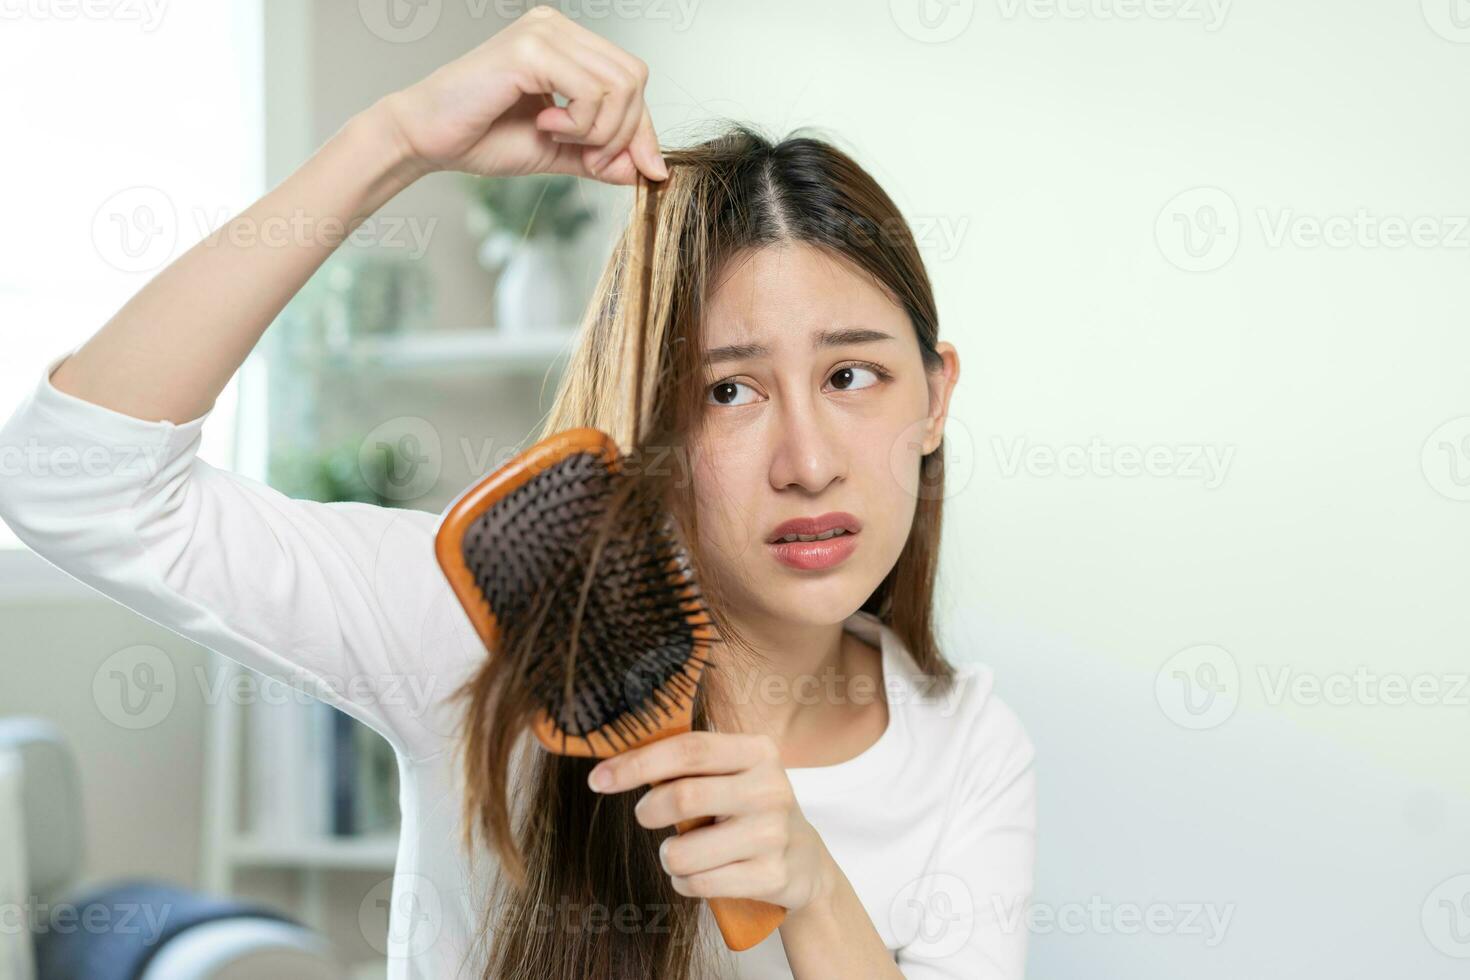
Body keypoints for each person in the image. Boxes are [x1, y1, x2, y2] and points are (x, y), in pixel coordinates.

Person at [0, 7, 1035, 979]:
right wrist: (393, 140)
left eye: (852, 376)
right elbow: (73, 483)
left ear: (936, 395)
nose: (807, 460)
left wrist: (812, 890)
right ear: (655, 425)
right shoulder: (482, 623)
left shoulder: (963, 741)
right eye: (729, 389)